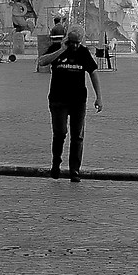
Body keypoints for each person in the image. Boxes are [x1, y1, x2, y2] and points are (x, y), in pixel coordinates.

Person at [40, 25, 103, 182]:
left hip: (78, 100)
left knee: (77, 136)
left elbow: (93, 73)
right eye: (72, 42)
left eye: (77, 42)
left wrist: (99, 97)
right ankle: (56, 164)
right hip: (58, 99)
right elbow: (42, 62)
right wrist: (61, 50)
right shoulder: (56, 48)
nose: (74, 45)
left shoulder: (83, 52)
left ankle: (74, 170)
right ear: (67, 39)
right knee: (60, 132)